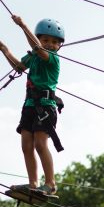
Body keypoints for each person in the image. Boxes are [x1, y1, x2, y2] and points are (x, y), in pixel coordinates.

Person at [0, 16, 65, 195]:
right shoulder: (34, 57)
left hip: (45, 107)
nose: (50, 44)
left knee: (40, 144)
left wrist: (23, 26)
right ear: (39, 39)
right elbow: (19, 67)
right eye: (46, 40)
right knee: (26, 145)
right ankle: (33, 183)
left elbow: (38, 48)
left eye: (54, 42)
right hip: (29, 106)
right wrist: (4, 49)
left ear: (59, 45)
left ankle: (50, 183)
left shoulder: (52, 58)